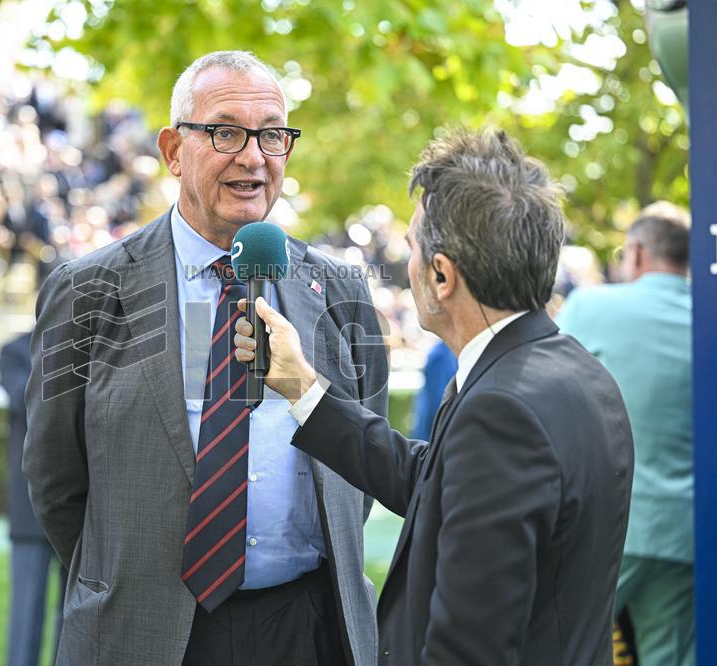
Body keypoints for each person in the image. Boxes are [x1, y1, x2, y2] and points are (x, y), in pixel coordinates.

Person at [23, 51, 387, 665]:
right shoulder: (86, 292)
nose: (253, 156)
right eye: (225, 132)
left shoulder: (341, 289)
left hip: (309, 627)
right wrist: (124, 579)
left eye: (272, 134)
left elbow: (361, 452)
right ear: (172, 150)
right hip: (147, 632)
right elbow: (56, 480)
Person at [233, 128, 634, 665]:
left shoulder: (501, 410)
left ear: (442, 275)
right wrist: (303, 388)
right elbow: (433, 483)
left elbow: (469, 646)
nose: (409, 262)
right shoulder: (570, 370)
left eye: (413, 248)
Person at [557, 203, 694, 666]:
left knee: (564, 647)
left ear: (636, 252)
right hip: (683, 531)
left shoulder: (593, 306)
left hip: (605, 524)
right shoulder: (705, 319)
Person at [0, 332, 66, 666]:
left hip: (76, 509)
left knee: (73, 626)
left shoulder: (89, 344)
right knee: (25, 623)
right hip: (29, 512)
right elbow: (25, 401)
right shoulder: (13, 351)